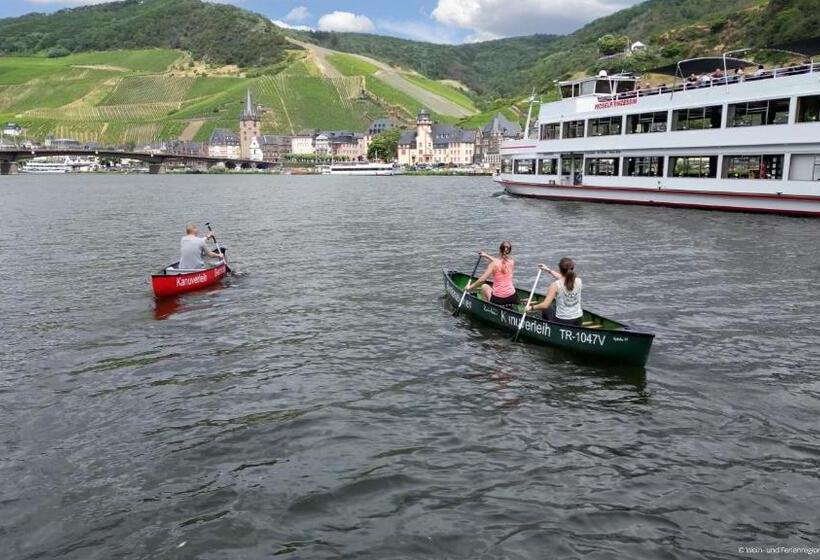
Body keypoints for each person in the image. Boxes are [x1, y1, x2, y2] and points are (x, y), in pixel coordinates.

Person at [525, 257, 583, 326]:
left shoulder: (555, 285)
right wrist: (548, 270)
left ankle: (546, 328)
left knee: (547, 308)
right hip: (578, 319)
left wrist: (531, 307)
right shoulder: (579, 281)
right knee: (554, 306)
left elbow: (545, 305)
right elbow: (564, 279)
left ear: (560, 269)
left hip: (563, 321)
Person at [466, 241, 518, 307]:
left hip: (498, 299)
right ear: (510, 251)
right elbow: (501, 262)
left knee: (484, 286)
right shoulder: (511, 262)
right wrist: (486, 255)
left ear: (499, 250)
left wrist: (470, 287)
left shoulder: (493, 264)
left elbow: (482, 280)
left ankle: (486, 308)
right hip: (512, 297)